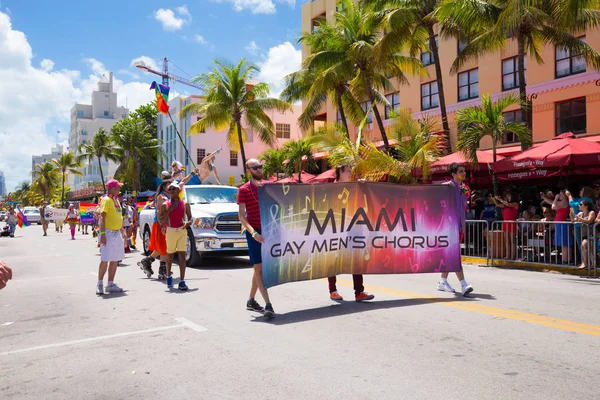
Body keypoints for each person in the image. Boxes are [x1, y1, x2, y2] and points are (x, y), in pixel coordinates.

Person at [327, 165, 374, 302]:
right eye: (348, 171)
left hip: (353, 227)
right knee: (334, 259)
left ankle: (359, 292)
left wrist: (363, 186)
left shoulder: (354, 186)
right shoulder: (331, 188)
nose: (350, 174)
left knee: (357, 258)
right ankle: (333, 290)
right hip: (336, 229)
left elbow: (362, 201)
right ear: (340, 172)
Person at [238, 158, 274, 318]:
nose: (259, 169)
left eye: (260, 166)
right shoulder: (244, 190)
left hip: (268, 231)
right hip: (254, 233)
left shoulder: (268, 187)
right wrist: (254, 233)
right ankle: (268, 304)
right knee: (259, 269)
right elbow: (241, 217)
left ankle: (251, 300)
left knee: (258, 268)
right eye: (255, 167)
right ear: (248, 171)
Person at [437, 163, 474, 296]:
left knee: (450, 255)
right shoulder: (447, 186)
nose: (464, 173)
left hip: (460, 226)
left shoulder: (465, 189)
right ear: (453, 174)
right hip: (449, 227)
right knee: (454, 255)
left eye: (464, 171)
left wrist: (467, 197)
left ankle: (442, 281)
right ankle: (463, 284)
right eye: (461, 171)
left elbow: (464, 206)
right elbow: (433, 194)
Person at [160, 181, 192, 290]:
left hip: (182, 231)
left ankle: (182, 281)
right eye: (170, 189)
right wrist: (169, 210)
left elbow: (191, 218)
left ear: (179, 190)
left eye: (174, 189)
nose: (172, 191)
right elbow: (161, 220)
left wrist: (188, 223)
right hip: (171, 231)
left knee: (182, 256)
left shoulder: (185, 204)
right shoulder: (165, 205)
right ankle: (169, 276)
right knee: (170, 255)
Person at [96, 179, 126, 295]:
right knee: (105, 259)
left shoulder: (116, 201)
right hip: (108, 233)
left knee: (114, 259)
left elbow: (117, 217)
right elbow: (102, 217)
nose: (119, 189)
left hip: (116, 233)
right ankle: (99, 284)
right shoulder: (106, 200)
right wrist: (103, 234)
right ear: (113, 188)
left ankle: (110, 284)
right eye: (118, 187)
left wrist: (121, 229)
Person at [138, 178, 173, 279]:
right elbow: (158, 212)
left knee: (162, 247)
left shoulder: (169, 195)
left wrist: (191, 174)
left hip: (167, 223)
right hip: (160, 223)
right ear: (164, 186)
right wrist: (162, 225)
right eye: (168, 184)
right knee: (163, 248)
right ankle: (163, 271)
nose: (170, 186)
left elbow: (182, 182)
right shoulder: (161, 196)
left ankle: (147, 261)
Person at [566, 187, 595, 256]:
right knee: (580, 244)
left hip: (583, 226)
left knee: (584, 244)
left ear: (585, 192)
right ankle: (583, 261)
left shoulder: (587, 199)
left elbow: (573, 204)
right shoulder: (580, 199)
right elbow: (574, 202)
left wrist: (569, 195)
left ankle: (586, 262)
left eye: (582, 190)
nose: (580, 191)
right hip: (578, 225)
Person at [493, 191, 520, 259]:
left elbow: (508, 204)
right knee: (507, 241)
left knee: (512, 240)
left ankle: (513, 256)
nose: (507, 197)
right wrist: (494, 199)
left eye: (509, 196)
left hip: (512, 223)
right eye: (507, 196)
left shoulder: (515, 204)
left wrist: (499, 199)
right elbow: (498, 205)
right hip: (505, 223)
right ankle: (508, 255)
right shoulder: (505, 205)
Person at [550, 189, 573, 264]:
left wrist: (556, 198)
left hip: (561, 224)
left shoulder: (564, 202)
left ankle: (565, 260)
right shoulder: (563, 202)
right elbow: (552, 203)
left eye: (560, 194)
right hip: (561, 223)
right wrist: (545, 198)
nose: (559, 195)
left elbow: (553, 206)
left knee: (564, 244)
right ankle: (568, 260)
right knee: (566, 243)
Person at [574, 200, 596, 269]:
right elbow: (574, 219)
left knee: (585, 246)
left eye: (580, 204)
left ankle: (585, 263)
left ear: (586, 206)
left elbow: (589, 221)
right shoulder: (580, 213)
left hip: (592, 233)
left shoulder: (591, 212)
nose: (579, 205)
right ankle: (591, 264)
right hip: (584, 234)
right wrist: (573, 216)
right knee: (588, 248)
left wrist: (580, 219)